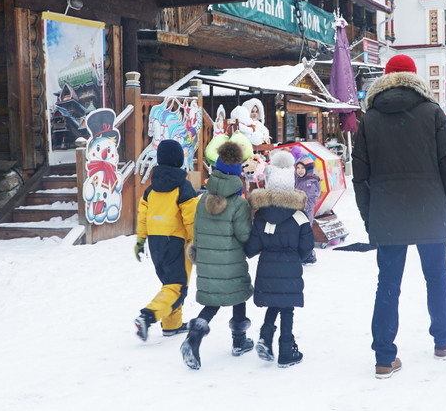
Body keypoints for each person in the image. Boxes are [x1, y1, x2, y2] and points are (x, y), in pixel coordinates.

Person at [352, 53, 446, 380]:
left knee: (387, 284)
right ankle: (444, 340)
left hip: (387, 212)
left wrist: (369, 217)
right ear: (415, 78)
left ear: (385, 79)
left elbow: (360, 176)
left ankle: (384, 357)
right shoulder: (433, 113)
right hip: (430, 210)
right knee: (437, 277)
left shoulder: (370, 118)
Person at [180, 141, 254, 370]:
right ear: (237, 174)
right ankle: (239, 342)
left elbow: (197, 231)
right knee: (238, 295)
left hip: (207, 260)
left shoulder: (203, 200)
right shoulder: (239, 203)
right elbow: (243, 235)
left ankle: (194, 337)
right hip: (231, 261)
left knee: (213, 300)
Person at [245, 150, 315, 368]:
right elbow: (307, 247)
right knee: (287, 308)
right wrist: (296, 258)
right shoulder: (300, 216)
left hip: (267, 266)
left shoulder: (262, 215)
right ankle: (286, 350)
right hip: (291, 267)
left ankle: (266, 337)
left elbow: (253, 246)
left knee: (275, 301)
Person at [134, 139, 198, 341]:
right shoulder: (183, 186)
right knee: (177, 285)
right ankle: (148, 315)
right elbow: (191, 218)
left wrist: (140, 240)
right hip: (176, 242)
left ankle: (172, 325)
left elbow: (142, 215)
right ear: (180, 160)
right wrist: (197, 241)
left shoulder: (151, 189)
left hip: (155, 243)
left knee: (169, 283)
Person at [294, 155, 321, 265]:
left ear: (308, 169)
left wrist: (301, 208)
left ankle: (309, 256)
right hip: (298, 211)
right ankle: (302, 254)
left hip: (305, 213)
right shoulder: (299, 178)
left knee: (304, 235)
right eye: (298, 167)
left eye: (303, 168)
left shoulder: (310, 182)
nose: (300, 170)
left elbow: (311, 201)